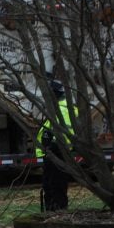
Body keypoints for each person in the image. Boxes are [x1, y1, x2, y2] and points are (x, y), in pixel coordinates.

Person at [36, 80, 76, 212]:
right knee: (57, 184)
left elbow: (54, 131)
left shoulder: (59, 109)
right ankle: (57, 209)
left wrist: (47, 141)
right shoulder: (67, 106)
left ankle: (55, 210)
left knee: (54, 185)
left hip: (56, 151)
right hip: (62, 151)